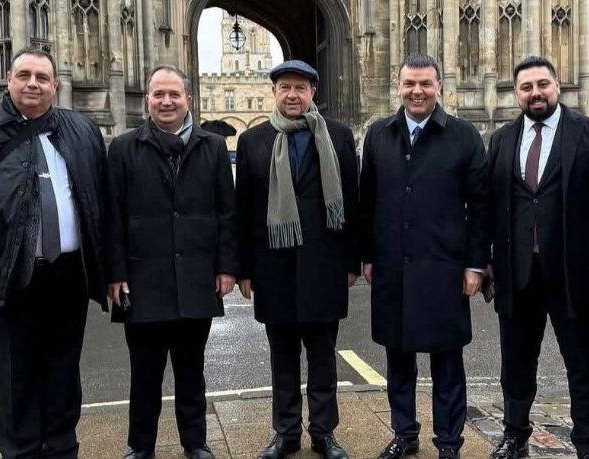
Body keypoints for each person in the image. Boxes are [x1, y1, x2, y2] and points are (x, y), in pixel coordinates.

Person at [0, 48, 107, 459]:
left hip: (69, 273)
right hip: (10, 271)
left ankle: (62, 447)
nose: (33, 84)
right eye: (25, 75)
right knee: (16, 374)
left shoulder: (82, 129)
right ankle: (21, 450)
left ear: (55, 85)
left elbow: (100, 200)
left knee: (64, 369)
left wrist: (110, 269)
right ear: (9, 80)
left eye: (42, 78)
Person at [359, 54, 489, 459]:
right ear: (398, 87)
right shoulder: (379, 134)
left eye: (426, 84)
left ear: (439, 87)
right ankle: (404, 433)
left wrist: (474, 264)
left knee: (447, 361)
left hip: (444, 268)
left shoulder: (464, 136)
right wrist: (367, 255)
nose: (417, 91)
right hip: (392, 268)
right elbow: (367, 202)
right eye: (410, 84)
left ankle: (449, 442)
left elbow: (480, 207)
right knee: (398, 359)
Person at [105, 65, 238, 459]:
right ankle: (140, 446)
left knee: (191, 371)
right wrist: (115, 273)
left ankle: (195, 443)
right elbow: (112, 217)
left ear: (188, 100)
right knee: (144, 375)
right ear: (148, 99)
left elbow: (226, 212)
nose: (166, 102)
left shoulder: (213, 147)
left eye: (174, 94)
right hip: (141, 279)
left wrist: (226, 267)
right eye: (159, 94)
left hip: (196, 277)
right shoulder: (123, 148)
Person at [485, 56, 589, 459]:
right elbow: (491, 205)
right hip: (517, 272)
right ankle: (515, 434)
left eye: (542, 84)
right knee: (516, 364)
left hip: (571, 273)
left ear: (557, 86)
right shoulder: (502, 138)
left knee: (583, 364)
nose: (535, 93)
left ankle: (588, 443)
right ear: (516, 93)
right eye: (526, 87)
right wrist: (486, 258)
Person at [235, 60, 359, 459]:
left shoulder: (338, 137)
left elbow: (352, 202)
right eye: (285, 87)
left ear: (312, 93)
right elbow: (244, 211)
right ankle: (286, 434)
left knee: (323, 359)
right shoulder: (253, 141)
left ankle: (324, 434)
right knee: (283, 360)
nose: (293, 95)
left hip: (325, 265)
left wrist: (352, 262)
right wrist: (244, 270)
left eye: (300, 88)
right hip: (274, 268)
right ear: (274, 92)